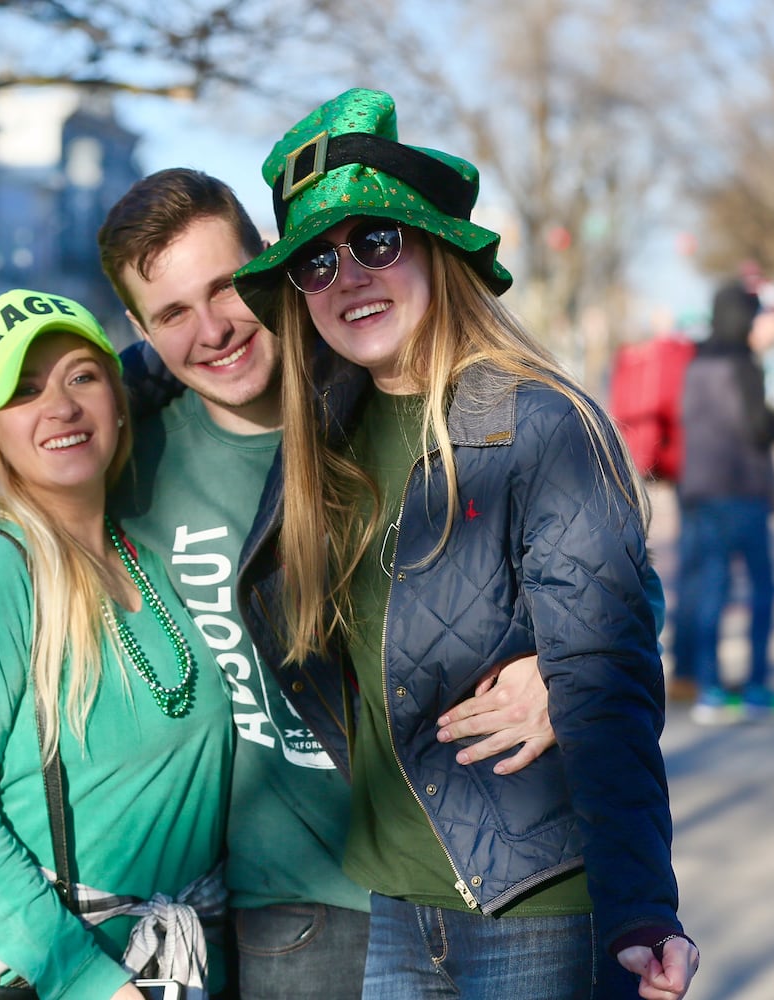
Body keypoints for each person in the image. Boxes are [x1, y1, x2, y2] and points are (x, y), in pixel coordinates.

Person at [0, 168, 558, 1000]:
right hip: (296, 913)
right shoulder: (134, 453)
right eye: (171, 314)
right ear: (140, 329)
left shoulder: (382, 392)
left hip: (474, 876)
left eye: (226, 288)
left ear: (268, 264)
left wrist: (556, 666)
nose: (212, 331)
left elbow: (580, 552)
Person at [231, 88, 696, 1000]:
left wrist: (644, 908)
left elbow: (608, 678)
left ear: (436, 249)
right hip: (397, 906)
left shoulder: (539, 424)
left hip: (536, 911)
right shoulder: (321, 436)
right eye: (315, 264)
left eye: (374, 242)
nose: (347, 276)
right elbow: (172, 361)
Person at [0, 289, 231, 997]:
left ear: (116, 398)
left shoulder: (145, 543)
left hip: (174, 958)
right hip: (61, 968)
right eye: (23, 391)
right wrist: (85, 981)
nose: (60, 407)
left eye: (81, 375)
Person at [678, 279, 774, 725]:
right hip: (743, 490)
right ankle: (757, 686)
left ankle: (709, 687)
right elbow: (758, 429)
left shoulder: (696, 363)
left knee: (712, 588)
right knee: (762, 589)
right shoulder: (742, 365)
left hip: (701, 490)